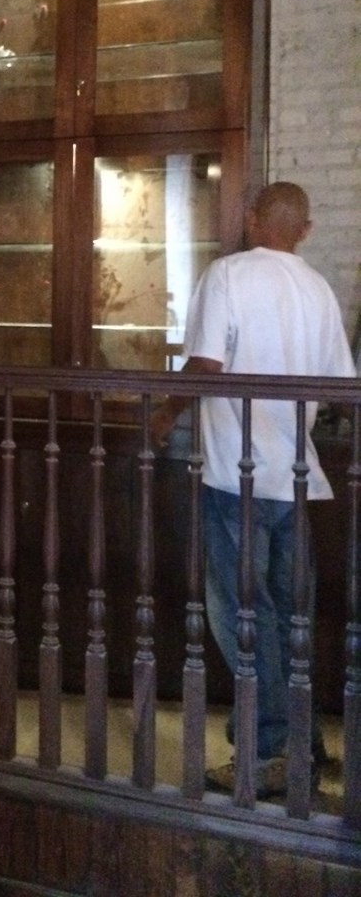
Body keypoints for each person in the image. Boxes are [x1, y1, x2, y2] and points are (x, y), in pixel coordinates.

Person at [150, 181, 356, 797]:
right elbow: (341, 386)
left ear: (251, 219)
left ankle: (270, 752)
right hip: (295, 477)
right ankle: (302, 743)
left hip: (234, 475)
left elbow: (206, 365)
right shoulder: (317, 289)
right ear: (306, 230)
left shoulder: (228, 274)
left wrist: (165, 412)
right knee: (291, 616)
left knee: (242, 614)